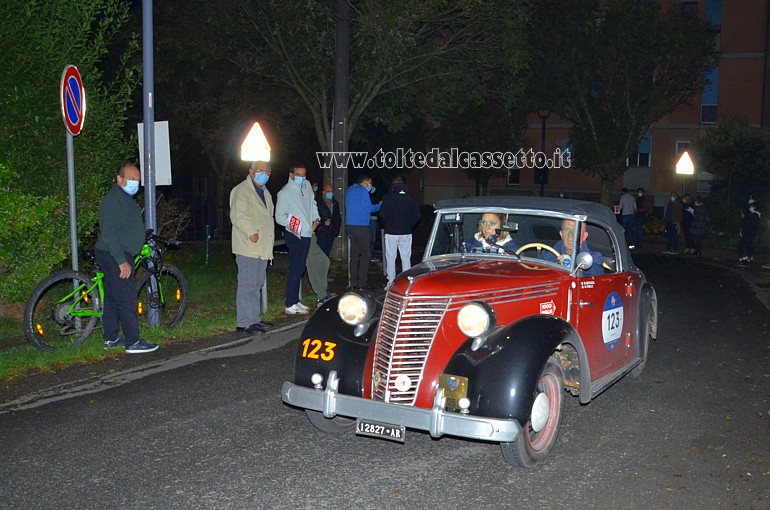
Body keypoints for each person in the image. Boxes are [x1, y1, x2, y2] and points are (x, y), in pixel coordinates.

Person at [94, 162, 158, 353]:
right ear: (119, 179)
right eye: (131, 179)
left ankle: (111, 337)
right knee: (127, 297)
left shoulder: (123, 198)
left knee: (113, 296)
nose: (135, 182)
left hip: (115, 252)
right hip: (115, 254)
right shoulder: (114, 200)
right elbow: (109, 232)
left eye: (137, 179)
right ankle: (133, 341)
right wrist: (121, 260)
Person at [229, 161, 275, 334]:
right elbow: (238, 215)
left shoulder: (265, 192)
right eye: (260, 171)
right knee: (247, 284)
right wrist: (251, 232)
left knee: (256, 283)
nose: (264, 174)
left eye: (267, 172)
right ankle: (244, 323)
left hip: (262, 247)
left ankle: (254, 319)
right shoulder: (241, 190)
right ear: (251, 171)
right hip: (248, 245)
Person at [275, 163, 320, 314]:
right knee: (295, 268)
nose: (302, 177)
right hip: (295, 235)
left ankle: (295, 300)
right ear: (291, 175)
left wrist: (316, 218)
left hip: (307, 233)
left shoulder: (307, 186)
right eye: (298, 175)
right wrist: (297, 227)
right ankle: (289, 303)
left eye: (304, 174)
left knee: (300, 268)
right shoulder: (285, 193)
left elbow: (312, 204)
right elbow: (280, 217)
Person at [378, 176, 421, 290]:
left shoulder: (388, 198)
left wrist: (387, 225)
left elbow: (382, 215)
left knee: (391, 257)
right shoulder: (411, 198)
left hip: (391, 232)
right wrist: (408, 225)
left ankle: (391, 281)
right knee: (406, 257)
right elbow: (416, 216)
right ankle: (406, 282)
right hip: (406, 232)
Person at [345, 174, 381, 290]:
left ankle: (353, 283)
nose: (370, 186)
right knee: (366, 254)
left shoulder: (350, 190)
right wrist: (380, 205)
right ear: (365, 181)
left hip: (350, 225)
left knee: (354, 255)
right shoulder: (363, 191)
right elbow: (369, 208)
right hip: (361, 226)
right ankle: (363, 283)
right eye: (370, 183)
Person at [315, 183, 340, 257]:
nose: (330, 193)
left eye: (331, 191)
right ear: (323, 192)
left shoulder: (335, 203)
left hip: (331, 232)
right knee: (320, 254)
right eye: (328, 191)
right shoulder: (318, 203)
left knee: (326, 254)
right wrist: (323, 223)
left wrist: (336, 230)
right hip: (321, 232)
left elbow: (337, 218)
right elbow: (314, 217)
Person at [738, 200, 761, 264]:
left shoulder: (755, 215)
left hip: (751, 232)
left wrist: (743, 219)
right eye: (750, 206)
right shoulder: (750, 214)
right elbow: (744, 223)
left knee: (748, 244)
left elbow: (749, 223)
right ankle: (744, 256)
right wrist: (741, 231)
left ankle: (749, 257)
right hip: (746, 232)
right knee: (742, 244)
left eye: (752, 206)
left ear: (755, 207)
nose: (751, 207)